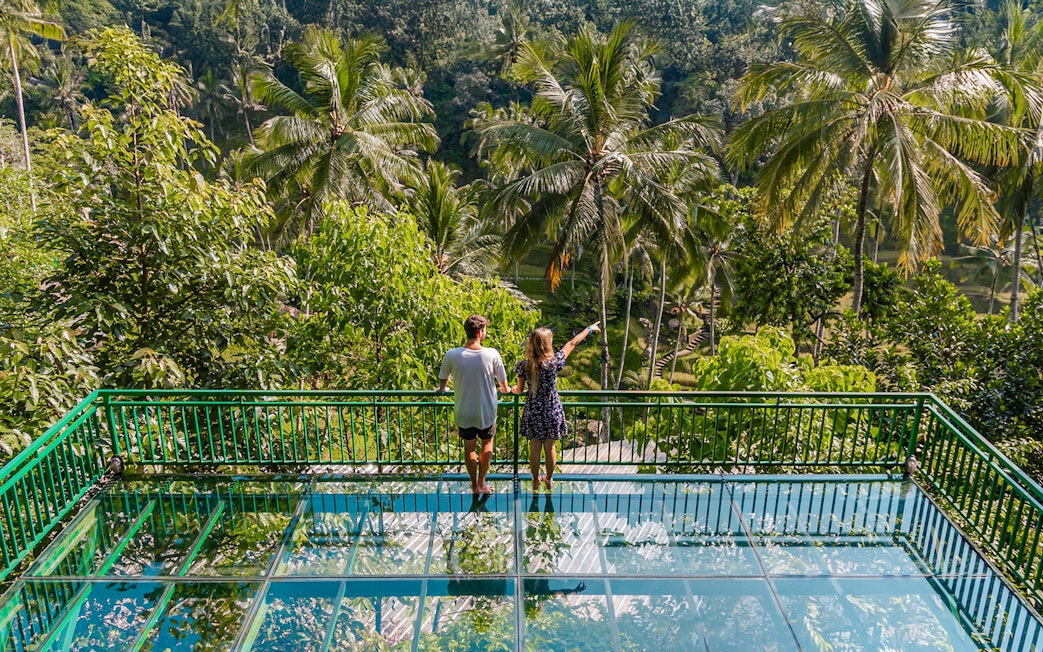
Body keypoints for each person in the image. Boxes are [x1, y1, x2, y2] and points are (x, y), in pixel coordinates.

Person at [513, 323, 600, 491]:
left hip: (533, 410)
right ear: (547, 343)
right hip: (552, 409)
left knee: (535, 448)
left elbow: (518, 390)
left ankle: (534, 479)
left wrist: (508, 389)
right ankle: (549, 478)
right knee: (550, 448)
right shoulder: (554, 363)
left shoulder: (524, 365)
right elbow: (572, 343)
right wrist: (589, 330)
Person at [437, 315, 510, 494]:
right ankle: (482, 483)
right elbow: (504, 386)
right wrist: (507, 389)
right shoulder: (492, 354)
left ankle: (473, 483)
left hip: (464, 411)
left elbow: (442, 383)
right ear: (480, 332)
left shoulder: (451, 354)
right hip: (486, 411)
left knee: (469, 448)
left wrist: (443, 389)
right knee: (487, 445)